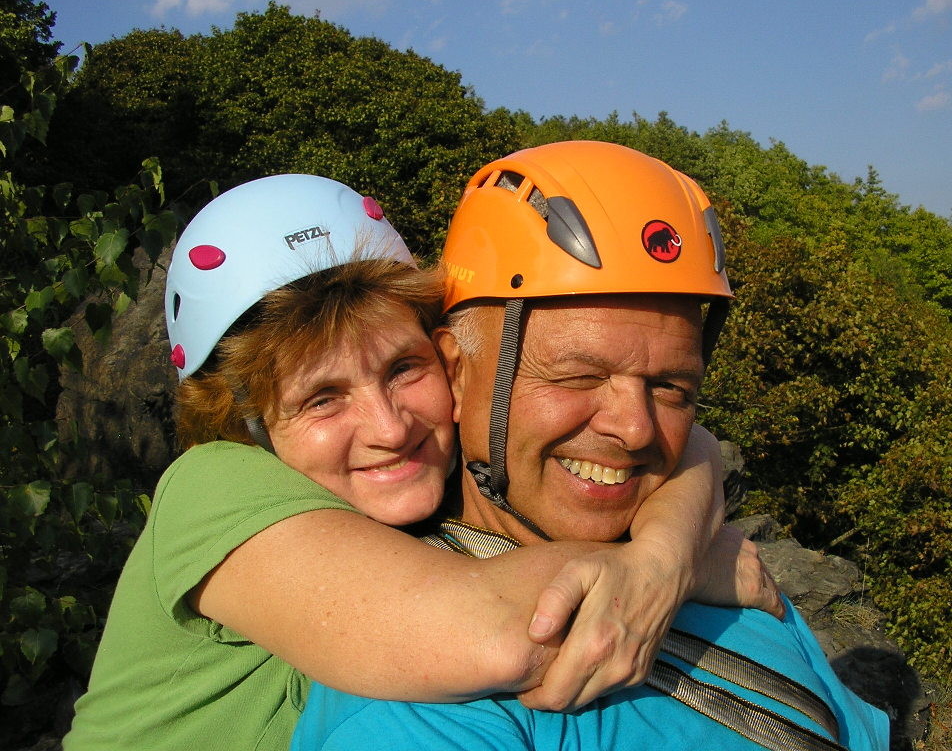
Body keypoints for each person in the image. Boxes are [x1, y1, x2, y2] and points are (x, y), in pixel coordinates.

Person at [64, 174, 778, 751]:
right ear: (245, 421)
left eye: (404, 369)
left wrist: (665, 546)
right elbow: (497, 636)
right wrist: (670, 569)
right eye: (321, 399)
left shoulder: (412, 500)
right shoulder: (211, 487)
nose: (389, 427)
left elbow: (694, 443)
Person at [291, 142, 890, 750]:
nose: (635, 429)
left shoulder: (730, 573)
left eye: (670, 387)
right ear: (457, 372)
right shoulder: (417, 697)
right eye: (577, 376)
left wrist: (670, 558)